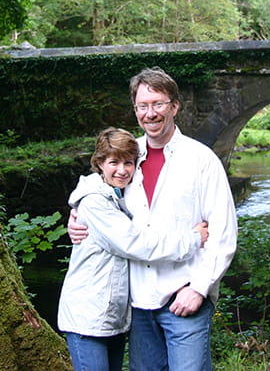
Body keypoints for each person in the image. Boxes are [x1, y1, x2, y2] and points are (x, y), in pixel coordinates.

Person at [69, 67, 238, 371]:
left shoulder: (201, 160)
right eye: (143, 106)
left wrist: (199, 288)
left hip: (184, 298)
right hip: (139, 303)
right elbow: (97, 185)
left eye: (158, 104)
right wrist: (77, 212)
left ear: (174, 106)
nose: (151, 113)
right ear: (135, 110)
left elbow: (223, 232)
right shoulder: (128, 156)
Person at [58, 127, 210, 371]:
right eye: (113, 162)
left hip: (112, 320)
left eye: (129, 163)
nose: (122, 170)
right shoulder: (95, 201)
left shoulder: (117, 195)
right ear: (99, 163)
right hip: (87, 319)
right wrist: (192, 239)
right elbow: (137, 243)